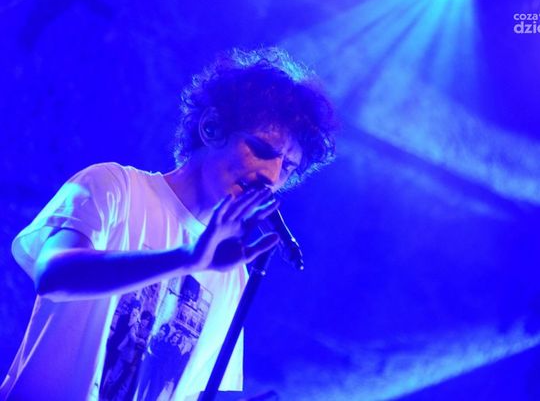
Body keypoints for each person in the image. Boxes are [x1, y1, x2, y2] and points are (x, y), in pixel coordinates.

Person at [0, 47, 337, 400]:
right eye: (262, 149)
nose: (271, 175)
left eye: (287, 167)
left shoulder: (232, 275)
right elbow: (54, 275)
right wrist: (187, 259)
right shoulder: (114, 186)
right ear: (211, 127)